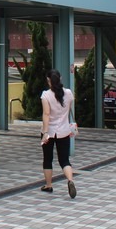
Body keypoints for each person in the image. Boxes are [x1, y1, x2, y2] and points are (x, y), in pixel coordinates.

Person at [40, 68, 78, 198]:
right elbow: (68, 109)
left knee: (47, 159)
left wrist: (45, 132)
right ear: (60, 78)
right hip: (64, 131)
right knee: (64, 160)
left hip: (49, 132)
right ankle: (70, 180)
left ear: (48, 80)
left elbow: (46, 114)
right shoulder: (68, 93)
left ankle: (49, 185)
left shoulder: (46, 95)